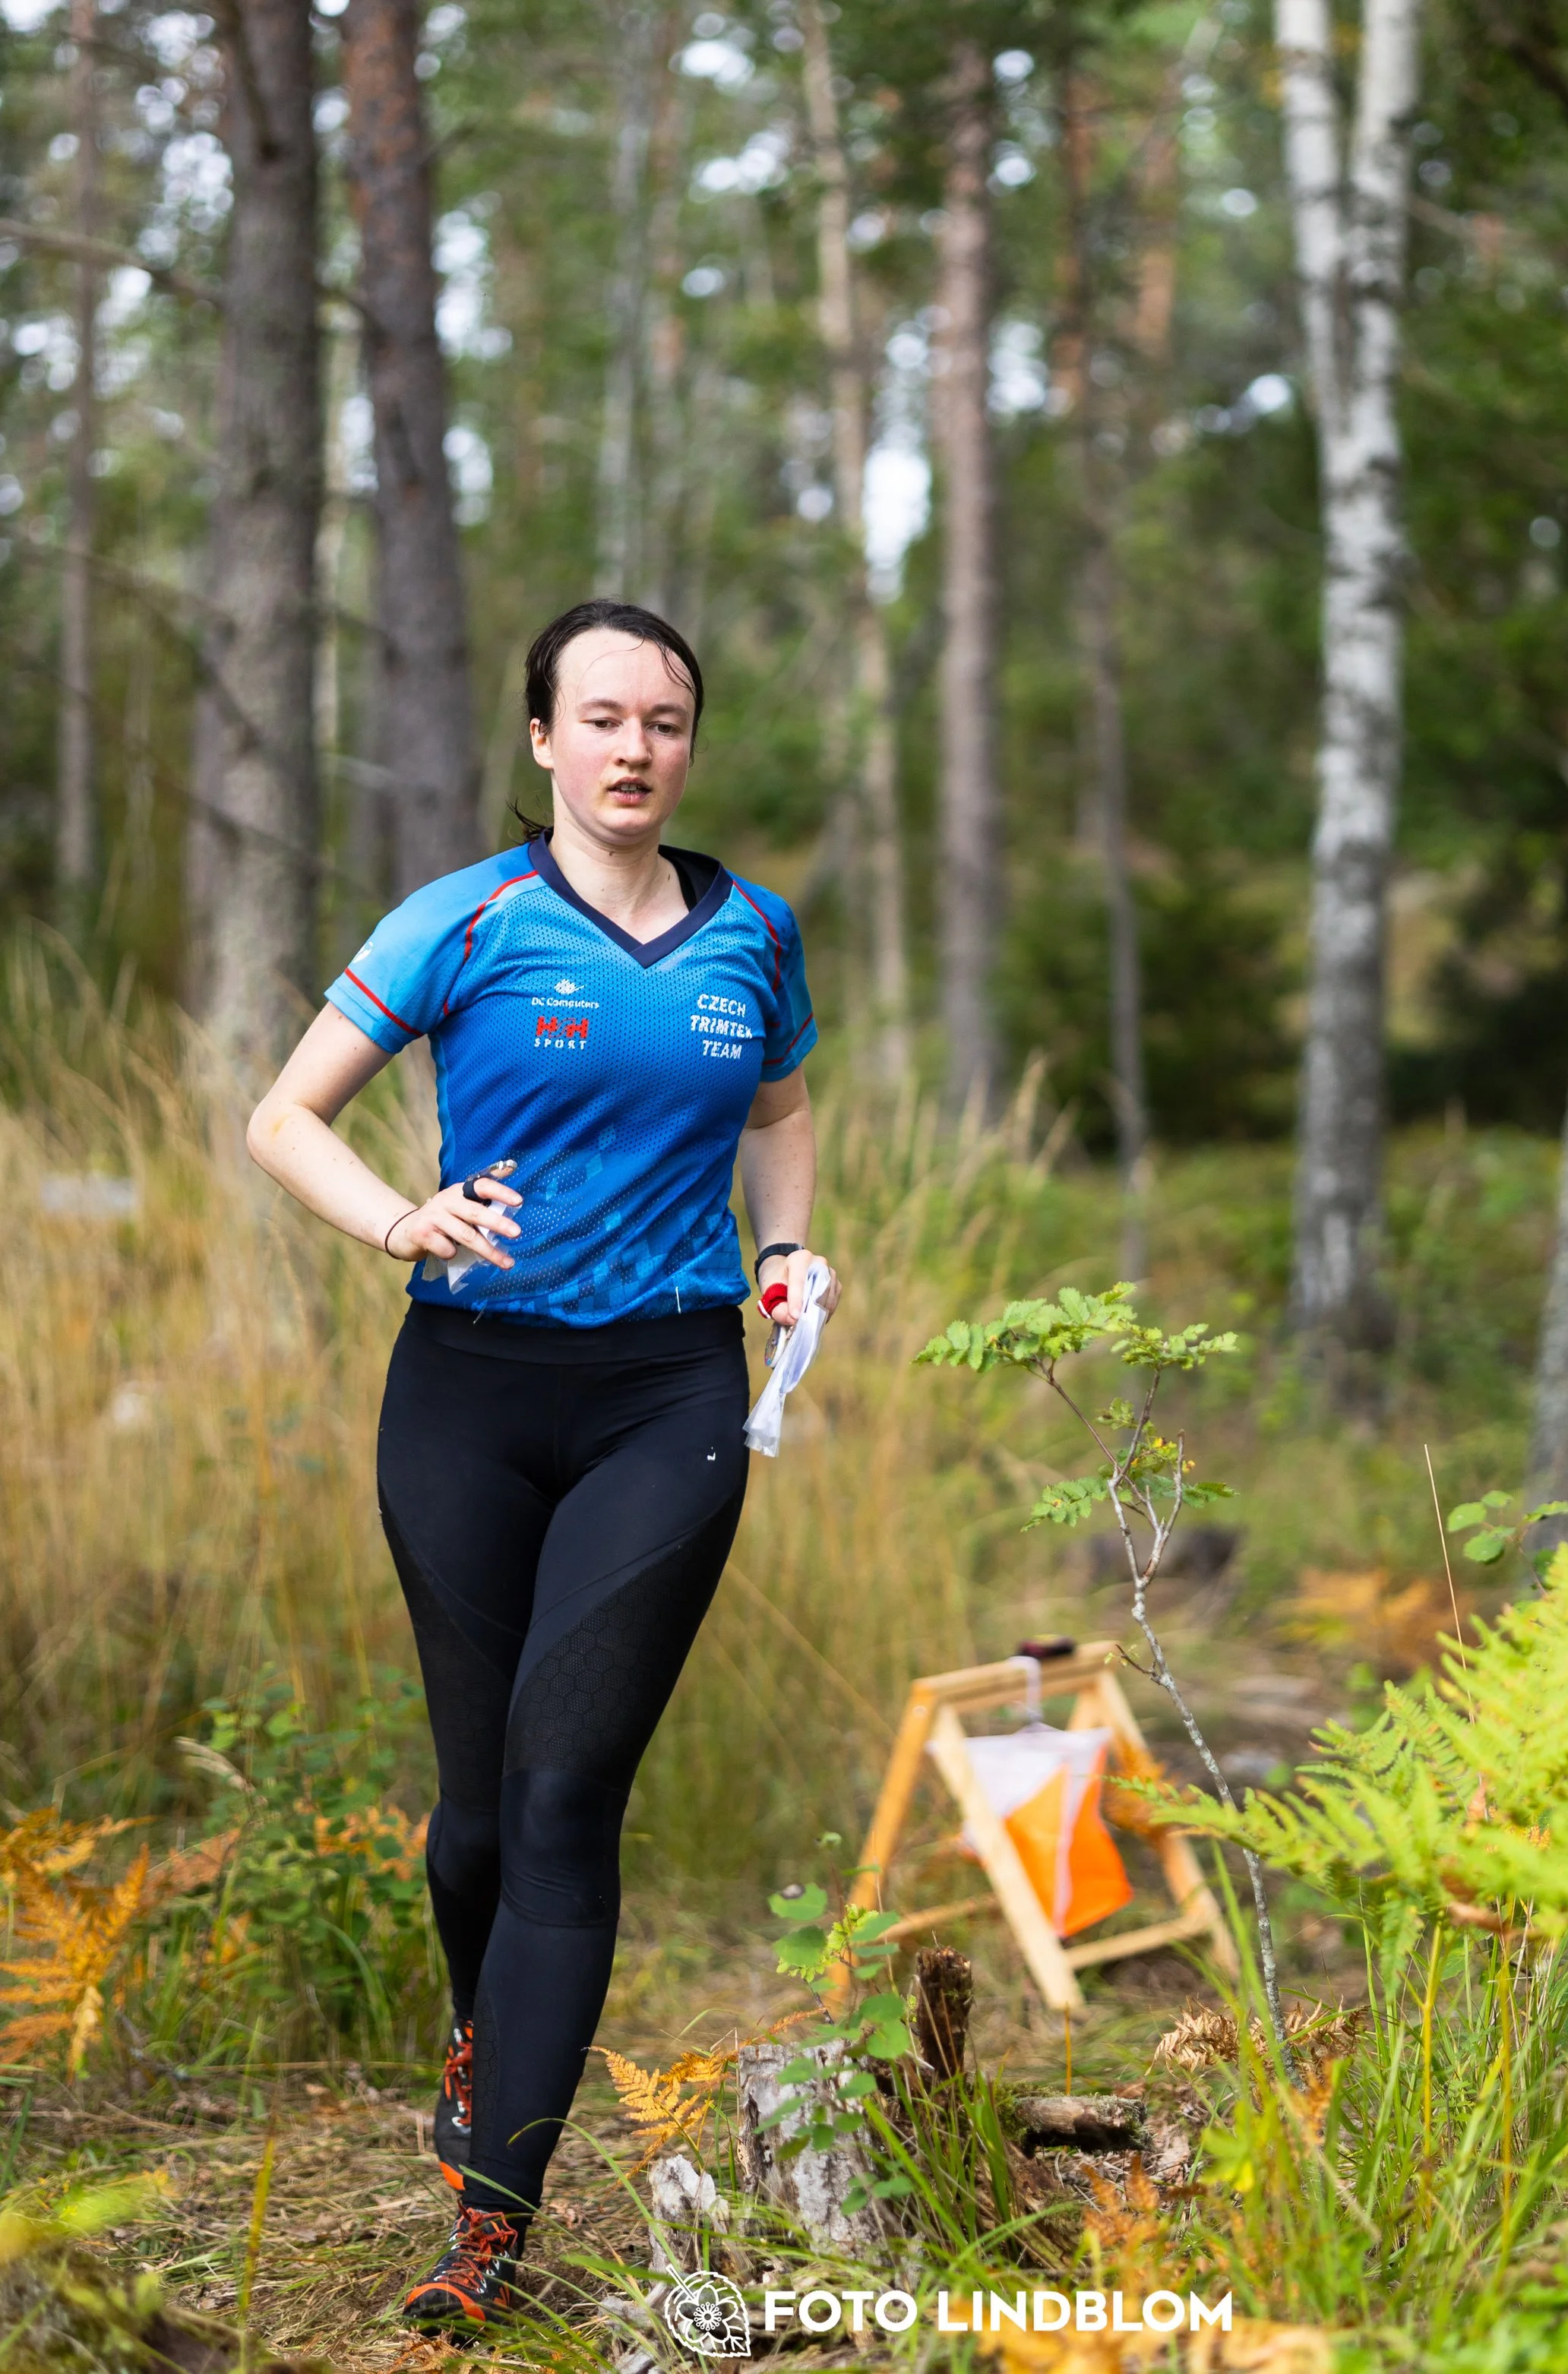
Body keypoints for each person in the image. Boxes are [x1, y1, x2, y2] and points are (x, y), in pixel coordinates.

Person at [247, 599, 840, 2328]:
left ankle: (489, 2223)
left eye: (664, 720)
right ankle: (480, 2027)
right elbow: (283, 1117)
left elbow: (781, 1113)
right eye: (601, 717)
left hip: (667, 1394)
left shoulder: (753, 932)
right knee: (476, 1823)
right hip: (465, 1399)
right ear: (543, 741)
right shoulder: (465, 918)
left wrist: (786, 1248)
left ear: (687, 743)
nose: (634, 748)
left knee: (568, 1794)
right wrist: (398, 1220)